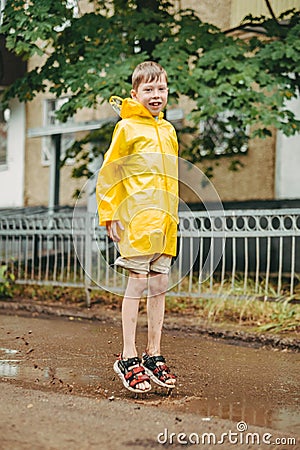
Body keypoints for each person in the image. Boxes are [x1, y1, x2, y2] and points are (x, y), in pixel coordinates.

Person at [96, 61, 178, 393]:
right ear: (135, 94)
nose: (155, 95)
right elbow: (110, 172)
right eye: (148, 89)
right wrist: (109, 212)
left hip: (165, 223)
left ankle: (153, 354)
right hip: (135, 221)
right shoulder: (127, 128)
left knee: (160, 284)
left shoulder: (169, 130)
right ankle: (128, 356)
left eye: (160, 88)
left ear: (167, 91)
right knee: (138, 283)